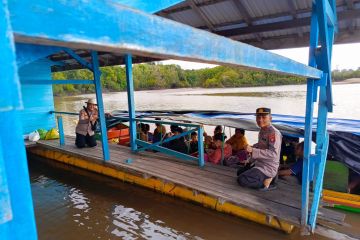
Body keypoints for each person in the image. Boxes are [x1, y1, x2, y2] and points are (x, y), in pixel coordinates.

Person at [237, 107, 282, 191]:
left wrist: (253, 150)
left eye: (264, 117)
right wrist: (251, 148)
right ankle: (271, 177)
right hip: (259, 163)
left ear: (270, 118)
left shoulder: (274, 133)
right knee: (239, 172)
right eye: (258, 117)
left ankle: (266, 182)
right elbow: (260, 145)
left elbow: (273, 154)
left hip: (268, 166)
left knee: (242, 180)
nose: (260, 120)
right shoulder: (262, 130)